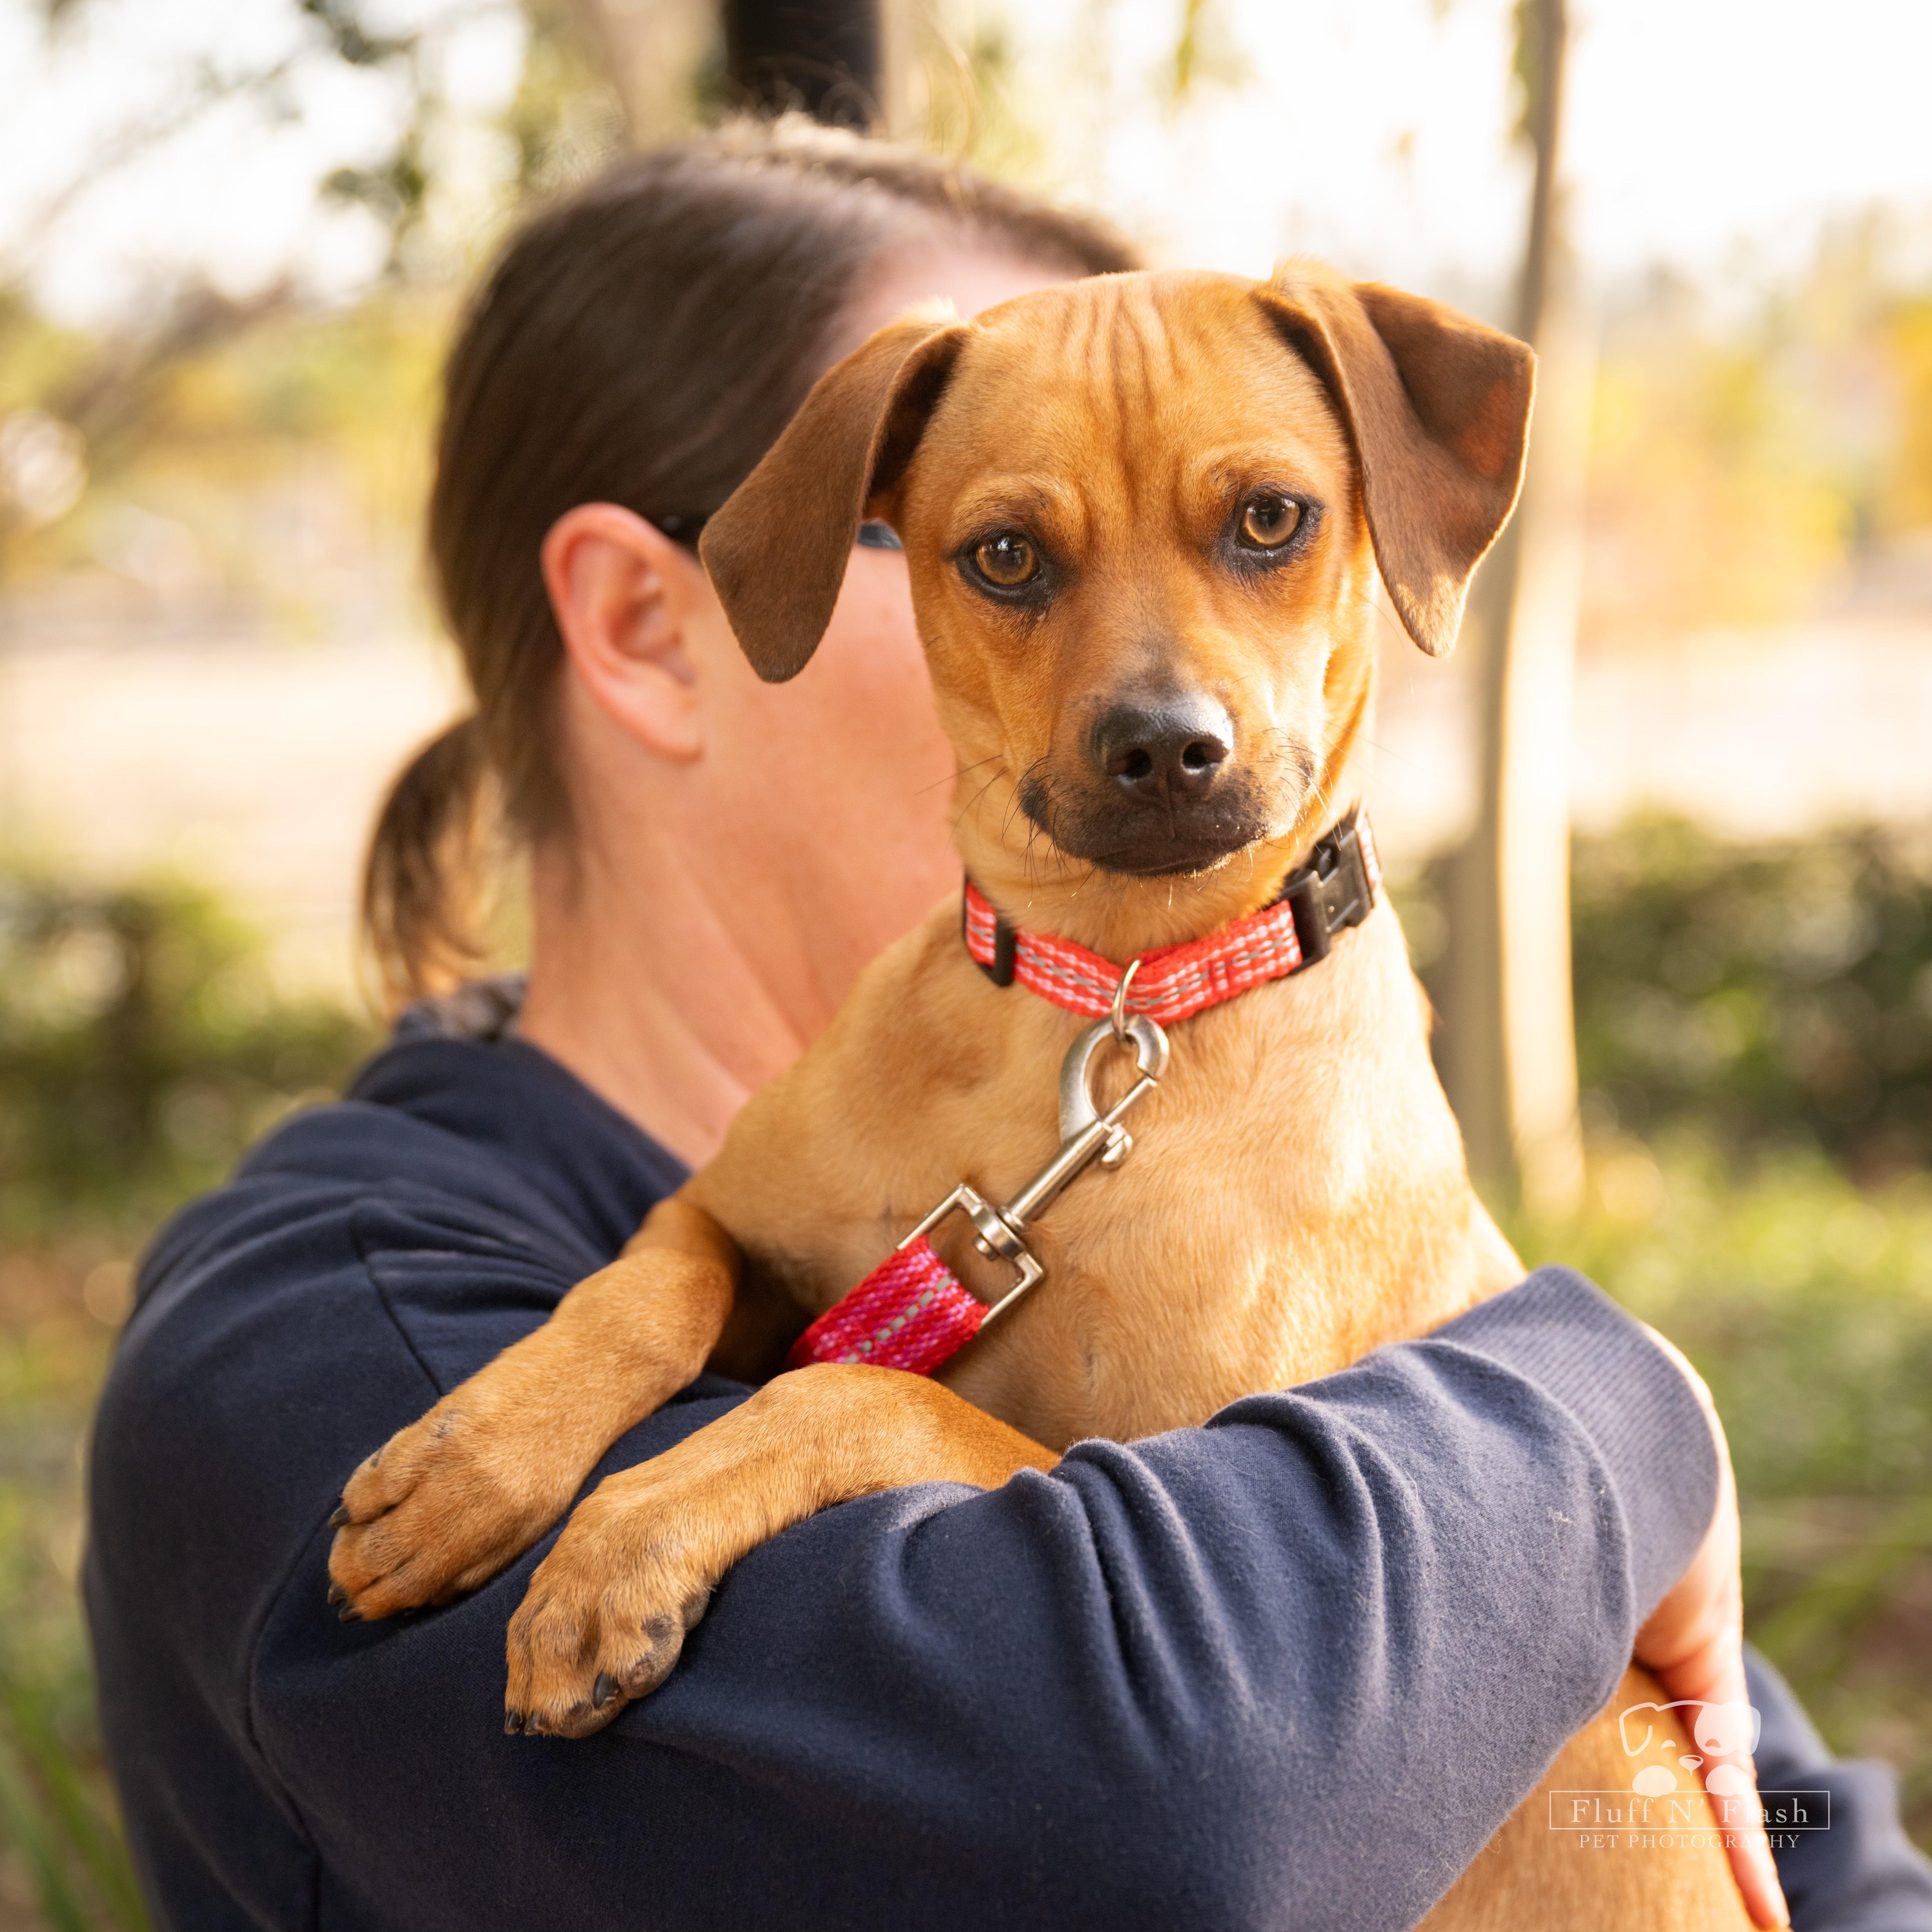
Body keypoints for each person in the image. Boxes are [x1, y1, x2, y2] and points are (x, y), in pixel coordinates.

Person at [84, 119, 1932, 1932]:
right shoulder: (327, 1339)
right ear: (658, 622)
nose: (1157, 694)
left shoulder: (1340, 1140)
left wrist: (1589, 1427)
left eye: (1260, 525)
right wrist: (1612, 1417)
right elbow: (1167, 1810)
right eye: (1011, 557)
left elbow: (1805, 1851)